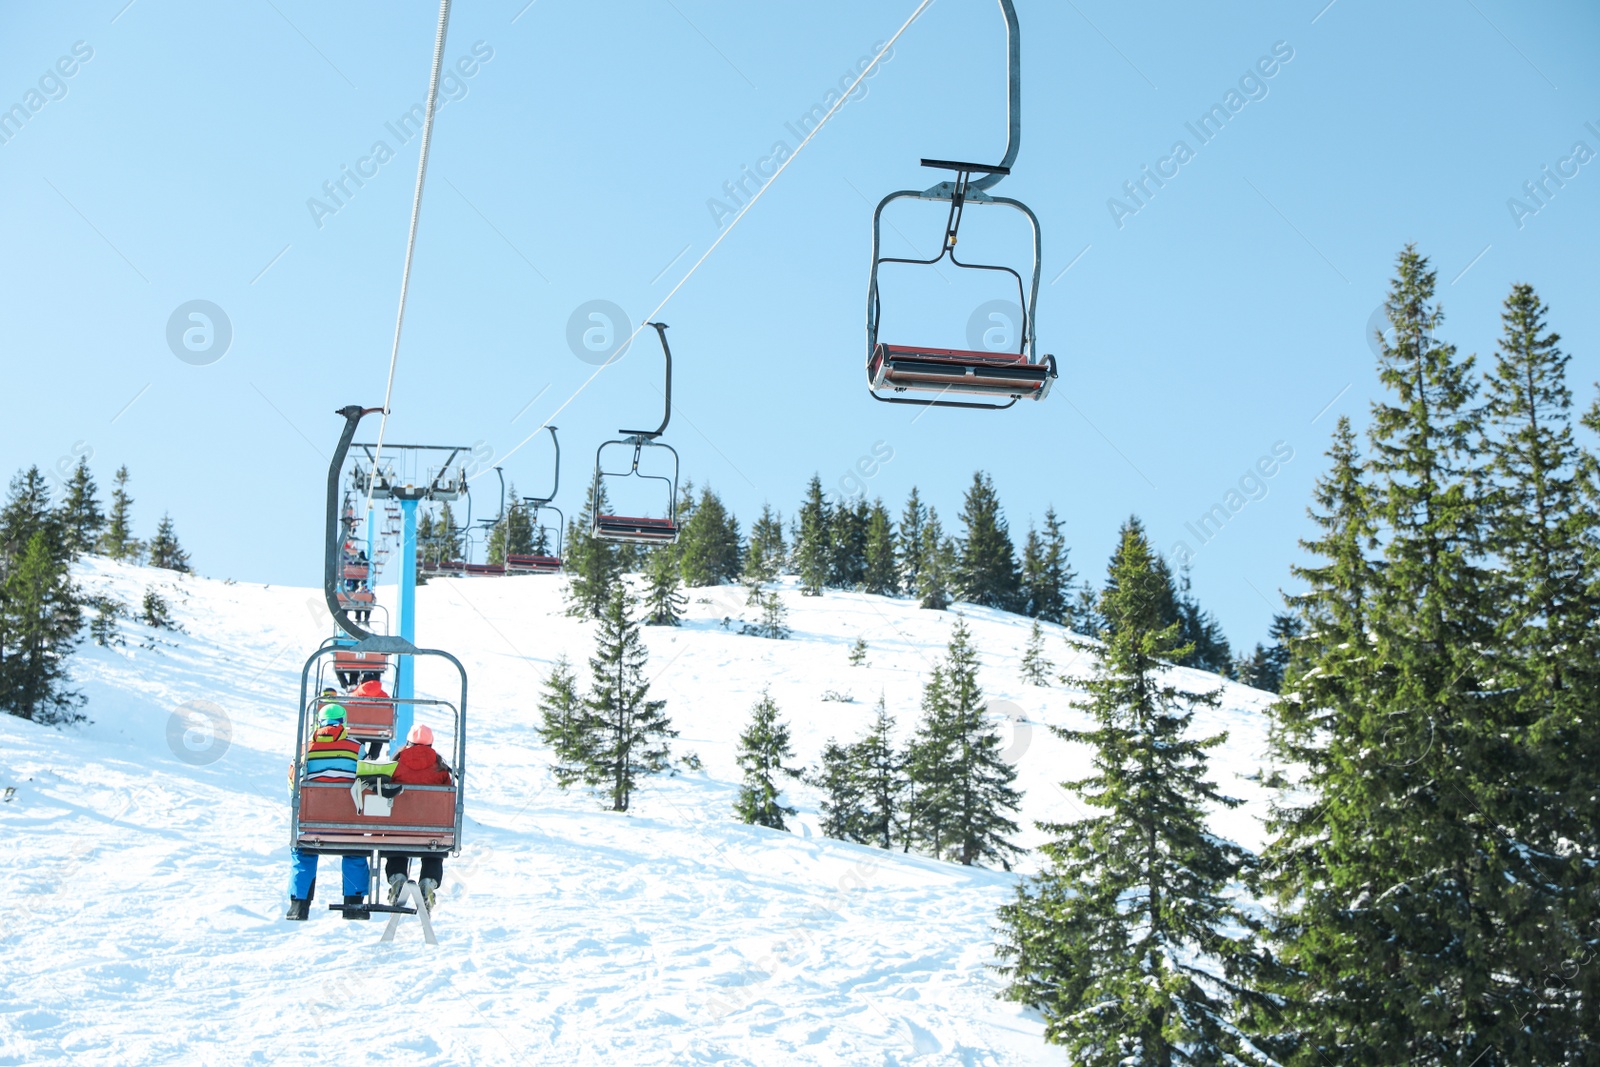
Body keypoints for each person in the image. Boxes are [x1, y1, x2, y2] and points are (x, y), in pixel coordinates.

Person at [286, 704, 371, 922]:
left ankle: (299, 905)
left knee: (303, 853)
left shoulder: (305, 748)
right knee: (355, 851)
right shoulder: (356, 748)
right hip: (348, 823)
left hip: (311, 822)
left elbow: (292, 784)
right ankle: (353, 903)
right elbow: (366, 780)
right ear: (343, 722)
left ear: (319, 722)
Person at [365, 723, 453, 912]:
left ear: (408, 742)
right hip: (432, 830)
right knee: (433, 850)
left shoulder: (394, 765)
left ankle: (397, 877)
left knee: (397, 844)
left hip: (398, 829)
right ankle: (429, 881)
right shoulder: (441, 769)